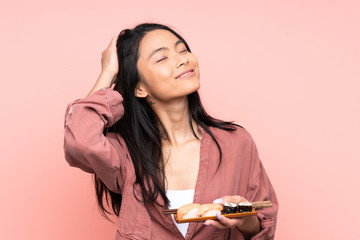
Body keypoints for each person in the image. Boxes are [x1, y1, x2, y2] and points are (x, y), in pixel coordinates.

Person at [63, 23, 278, 240]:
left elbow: (264, 228)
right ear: (140, 88)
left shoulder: (236, 143)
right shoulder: (124, 151)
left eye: (182, 50)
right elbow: (79, 142)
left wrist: (243, 216)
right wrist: (108, 73)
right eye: (161, 58)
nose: (183, 59)